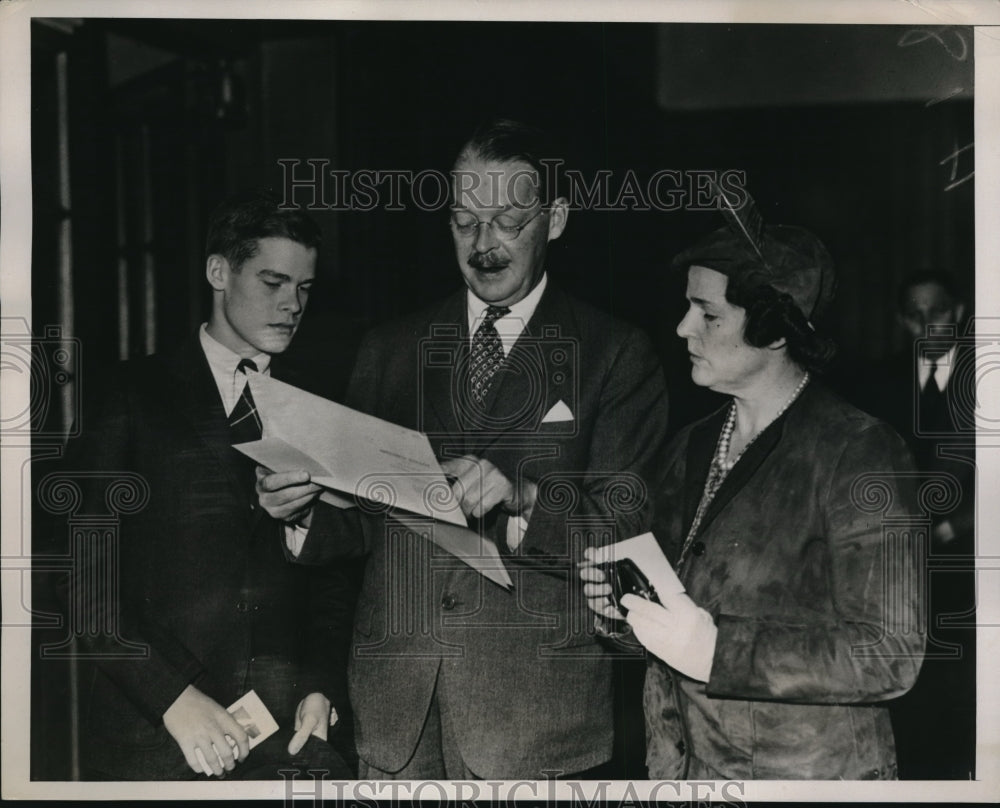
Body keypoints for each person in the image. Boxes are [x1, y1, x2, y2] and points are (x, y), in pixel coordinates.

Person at [257, 118, 670, 779]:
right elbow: (362, 523)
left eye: (507, 220)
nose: (484, 244)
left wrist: (524, 497)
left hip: (534, 728)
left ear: (555, 218)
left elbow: (627, 530)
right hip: (395, 721)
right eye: (464, 221)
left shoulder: (617, 355)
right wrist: (300, 508)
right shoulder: (388, 349)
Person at [579, 223, 925, 779]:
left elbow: (888, 655)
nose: (683, 327)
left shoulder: (861, 451)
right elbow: (682, 619)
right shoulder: (688, 446)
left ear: (774, 330)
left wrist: (718, 653)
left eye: (708, 314)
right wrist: (622, 612)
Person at [52, 189, 354, 780]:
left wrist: (319, 685)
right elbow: (78, 574)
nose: (292, 304)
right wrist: (173, 697)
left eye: (304, 288)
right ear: (219, 271)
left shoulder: (320, 405)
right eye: (272, 282)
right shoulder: (129, 392)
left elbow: (337, 573)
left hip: (284, 740)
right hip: (156, 737)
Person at [859, 270, 976, 779]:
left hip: (970, 563)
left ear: (959, 312)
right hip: (896, 565)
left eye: (938, 312)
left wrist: (952, 531)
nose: (927, 324)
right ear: (902, 320)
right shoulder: (877, 381)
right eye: (915, 314)